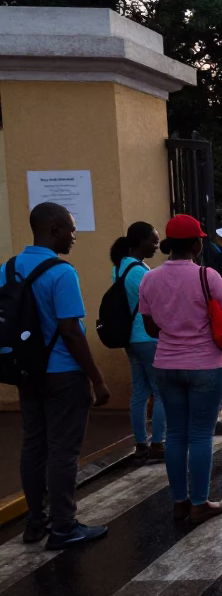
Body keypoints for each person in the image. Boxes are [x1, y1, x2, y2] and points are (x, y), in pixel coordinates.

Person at [15, 202, 111, 549]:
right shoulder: (61, 272)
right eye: (71, 228)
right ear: (53, 229)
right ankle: (64, 526)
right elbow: (71, 330)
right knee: (62, 451)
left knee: (33, 446)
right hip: (63, 374)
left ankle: (35, 521)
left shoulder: (7, 269)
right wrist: (97, 377)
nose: (74, 235)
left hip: (26, 373)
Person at [138, 214, 222, 525]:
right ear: (196, 244)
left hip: (166, 364)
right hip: (206, 365)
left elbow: (150, 326)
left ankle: (179, 502)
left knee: (175, 435)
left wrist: (174, 332)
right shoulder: (208, 277)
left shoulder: (149, 279)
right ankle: (200, 503)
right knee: (201, 434)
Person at [110, 221, 166, 462]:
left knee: (140, 392)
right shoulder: (142, 273)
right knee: (162, 392)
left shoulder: (120, 268)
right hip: (148, 338)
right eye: (153, 240)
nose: (156, 245)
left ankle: (141, 443)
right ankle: (158, 444)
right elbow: (157, 306)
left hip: (131, 340)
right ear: (139, 242)